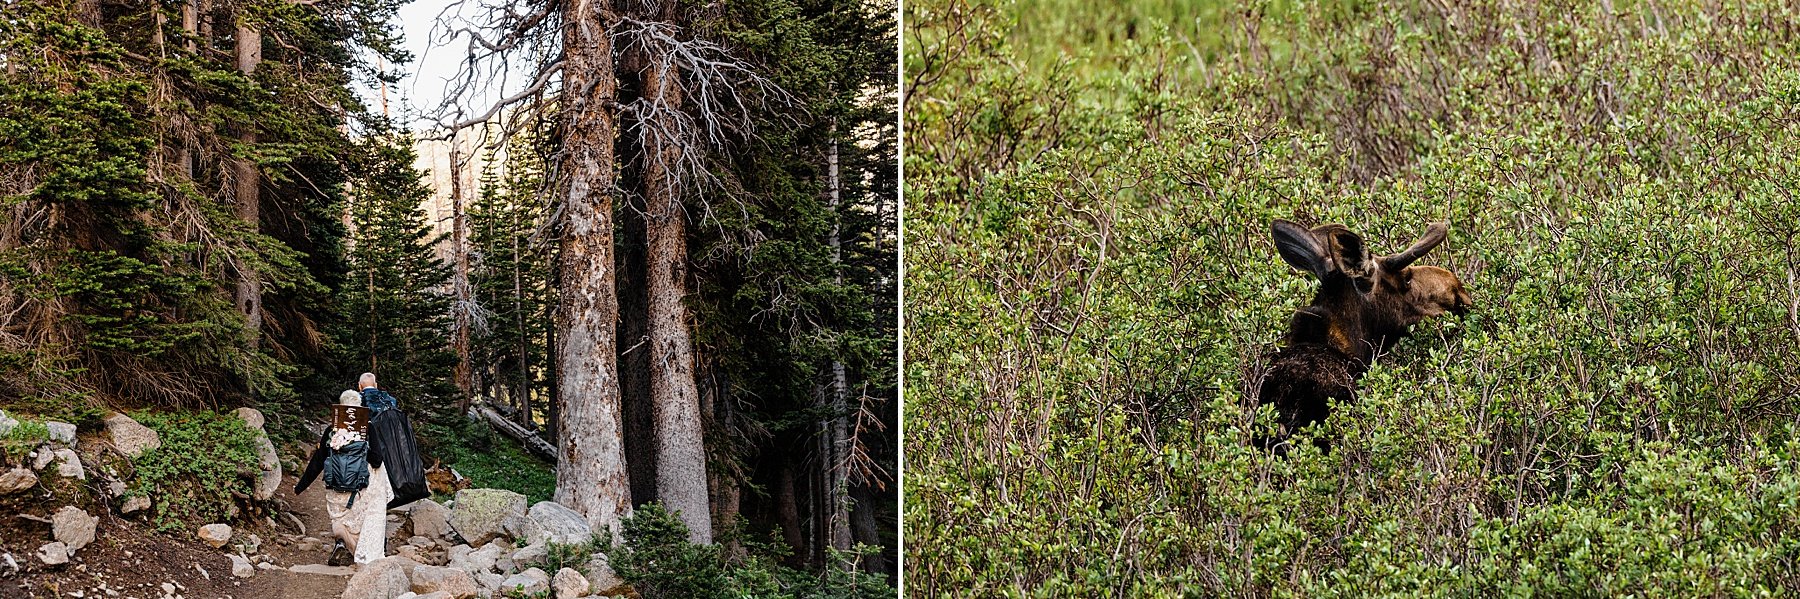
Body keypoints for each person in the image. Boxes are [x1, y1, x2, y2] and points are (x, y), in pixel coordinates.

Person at [296, 389, 395, 565]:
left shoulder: (331, 431)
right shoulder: (368, 428)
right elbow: (378, 460)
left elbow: (318, 461)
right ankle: (360, 551)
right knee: (366, 516)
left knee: (340, 518)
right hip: (362, 486)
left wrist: (301, 486)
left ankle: (341, 542)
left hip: (338, 486)